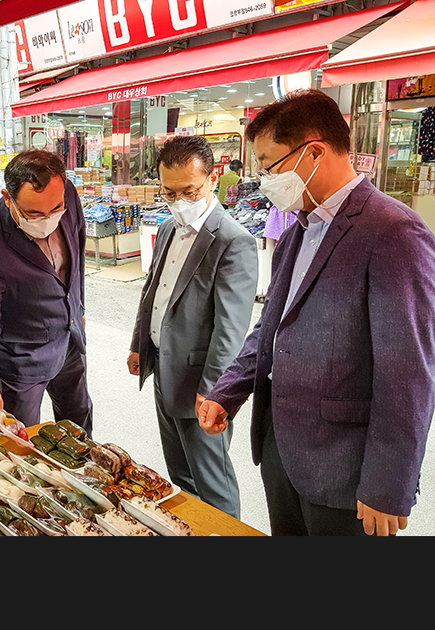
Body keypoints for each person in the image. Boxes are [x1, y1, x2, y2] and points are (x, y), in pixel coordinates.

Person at [198, 89, 435, 536]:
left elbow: (408, 374)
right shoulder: (296, 232)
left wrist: (388, 484)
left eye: (269, 166)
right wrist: (227, 389)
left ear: (313, 152)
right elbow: (271, 329)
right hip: (282, 452)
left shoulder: (393, 233)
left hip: (345, 468)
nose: (265, 180)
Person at [127, 136, 257, 519]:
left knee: (212, 480)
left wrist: (214, 389)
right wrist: (140, 345)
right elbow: (153, 292)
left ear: (212, 179)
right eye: (170, 192)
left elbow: (230, 329)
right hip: (165, 373)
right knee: (180, 476)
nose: (180, 200)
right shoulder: (168, 228)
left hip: (202, 385)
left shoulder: (235, 242)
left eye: (190, 191)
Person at [0, 149, 93, 435]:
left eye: (55, 210)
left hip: (69, 341)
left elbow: (77, 255)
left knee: (79, 426)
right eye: (33, 213)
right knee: (21, 445)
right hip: (23, 360)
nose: (46, 220)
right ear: (8, 198)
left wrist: (78, 308)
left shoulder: (66, 193)